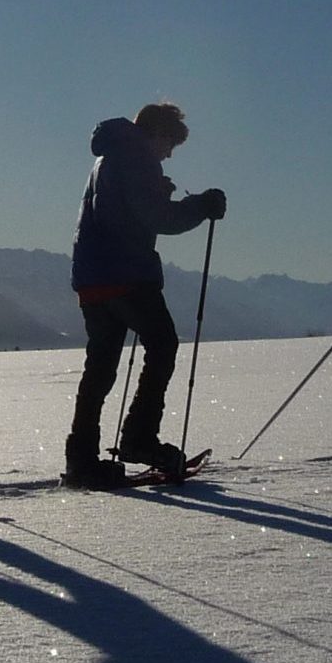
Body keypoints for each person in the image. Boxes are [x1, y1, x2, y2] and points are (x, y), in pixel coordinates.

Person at [64, 102, 225, 484]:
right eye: (170, 145)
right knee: (163, 344)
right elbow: (155, 217)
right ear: (157, 133)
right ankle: (139, 438)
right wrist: (200, 206)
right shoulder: (136, 154)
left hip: (92, 276)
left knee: (100, 368)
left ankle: (81, 456)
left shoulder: (110, 155)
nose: (168, 155)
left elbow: (126, 206)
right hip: (126, 274)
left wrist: (159, 191)